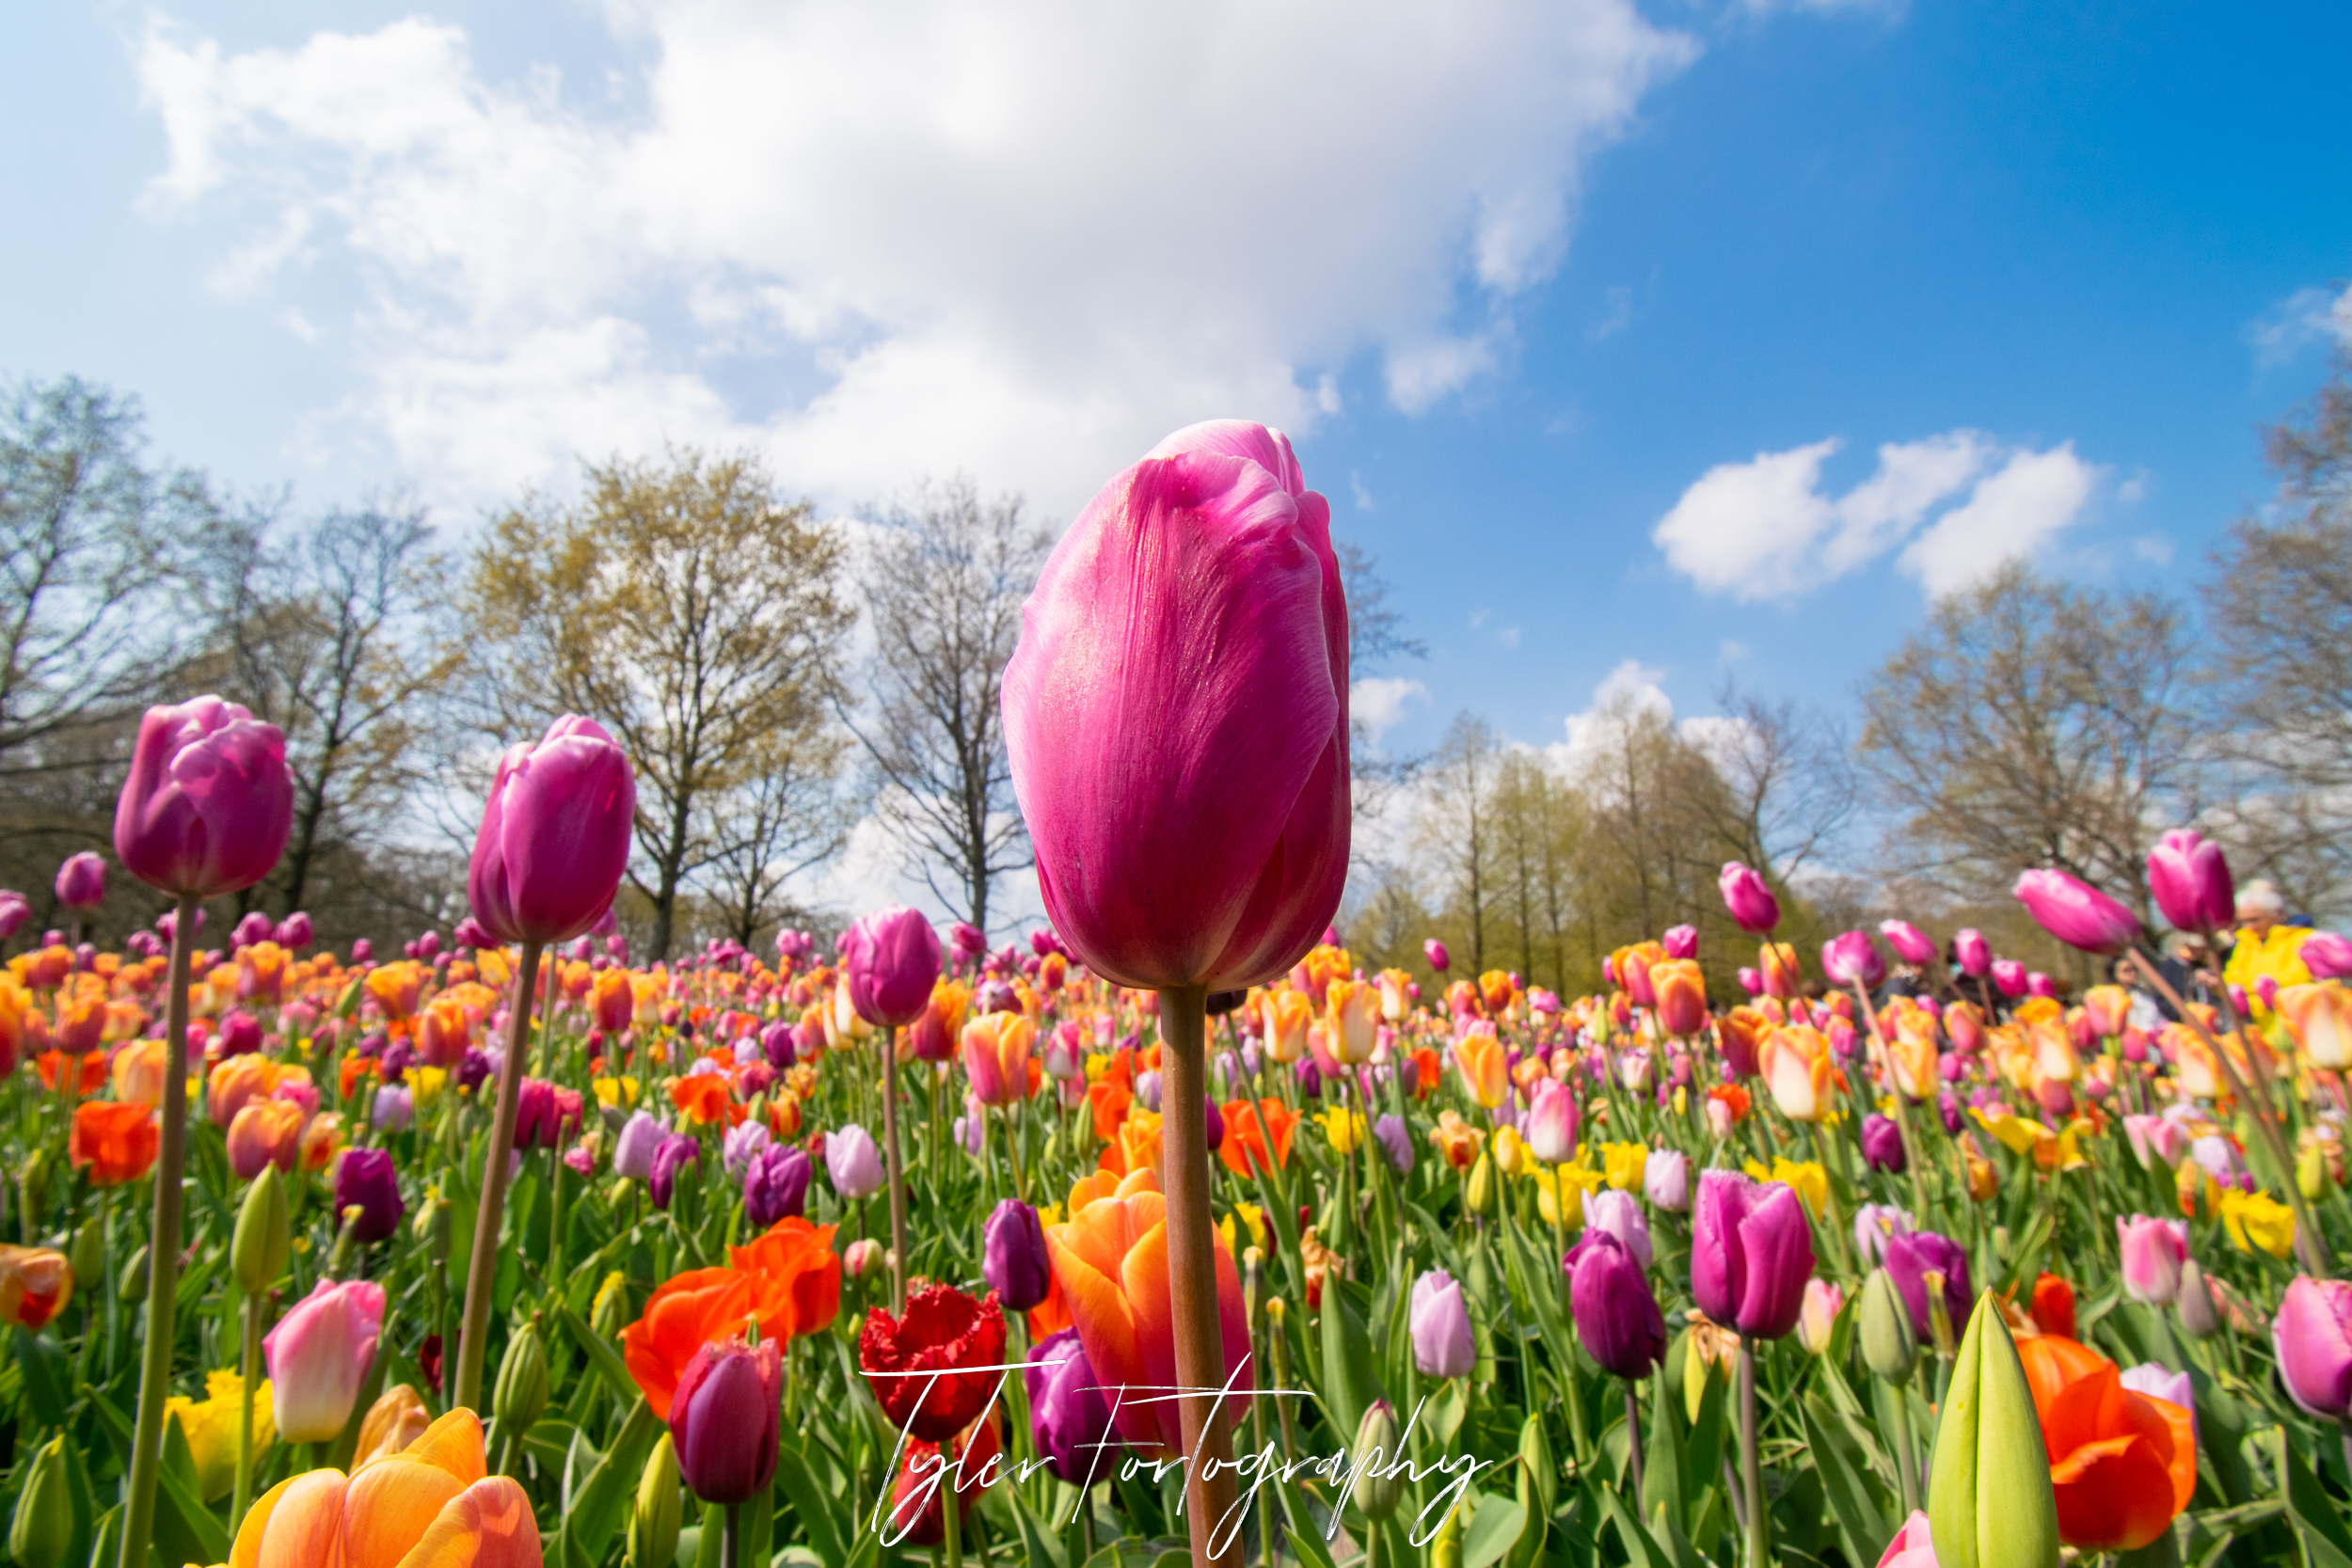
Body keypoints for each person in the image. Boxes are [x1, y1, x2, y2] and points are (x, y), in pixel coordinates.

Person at [2220, 879, 2312, 1024]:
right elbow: (2233, 977)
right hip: (2263, 1025)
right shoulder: (2245, 944)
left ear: (2276, 914)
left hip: (2302, 1018)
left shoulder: (2302, 938)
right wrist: (2218, 985)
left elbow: (2304, 976)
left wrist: (2266, 986)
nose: (2249, 927)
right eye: (2244, 921)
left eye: (2254, 920)